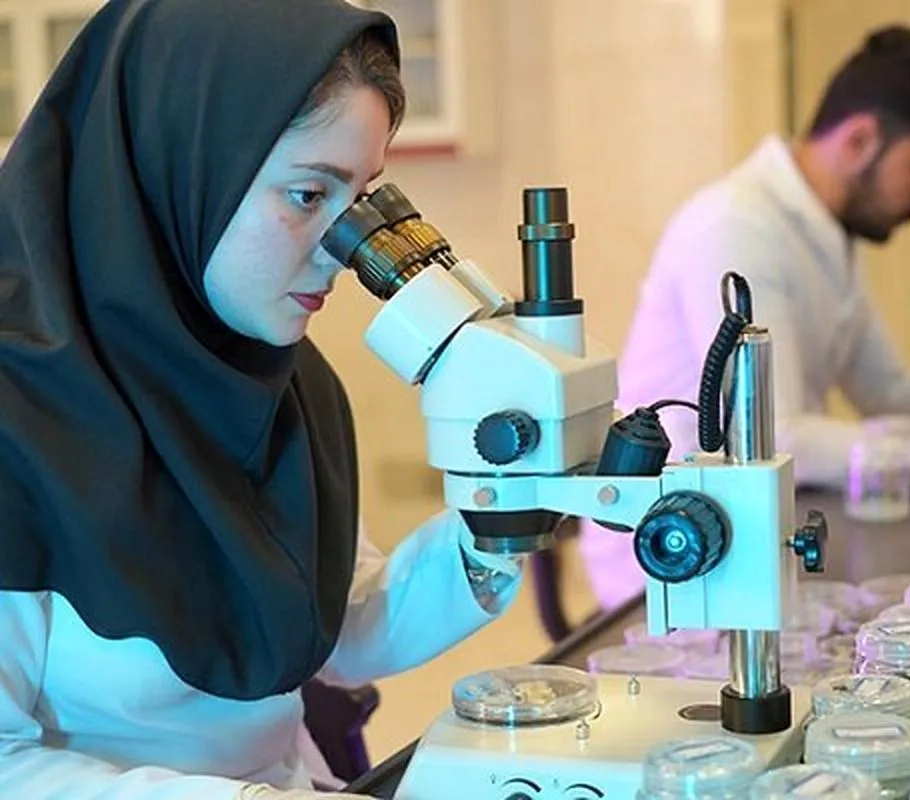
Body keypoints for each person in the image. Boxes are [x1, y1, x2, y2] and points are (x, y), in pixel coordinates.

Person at [0, 0, 522, 797]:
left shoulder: (281, 379)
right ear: (177, 170)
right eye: (309, 196)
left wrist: (497, 526)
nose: (343, 252)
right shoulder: (17, 413)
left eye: (361, 201)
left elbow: (335, 627)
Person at [580, 25, 910, 611]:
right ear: (860, 140)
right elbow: (775, 436)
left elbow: (888, 392)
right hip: (671, 566)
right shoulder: (737, 228)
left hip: (749, 538)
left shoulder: (824, 232)